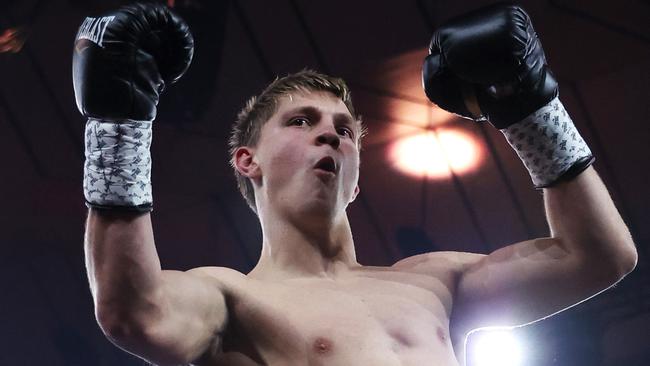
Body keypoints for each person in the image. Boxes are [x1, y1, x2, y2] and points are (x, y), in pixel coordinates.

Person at [75, 2, 638, 366]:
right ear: (248, 160)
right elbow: (134, 311)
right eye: (302, 122)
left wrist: (531, 107)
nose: (330, 137)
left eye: (345, 131)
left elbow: (598, 256)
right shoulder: (232, 299)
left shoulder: (436, 283)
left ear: (356, 182)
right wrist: (118, 127)